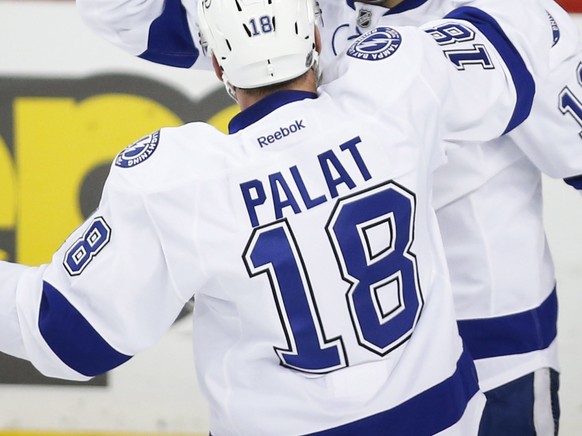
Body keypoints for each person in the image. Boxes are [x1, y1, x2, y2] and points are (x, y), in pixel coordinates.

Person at [0, 0, 544, 433]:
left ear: (216, 63)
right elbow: (517, 44)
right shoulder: (398, 88)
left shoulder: (182, 184)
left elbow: (62, 337)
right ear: (317, 38)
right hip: (444, 420)